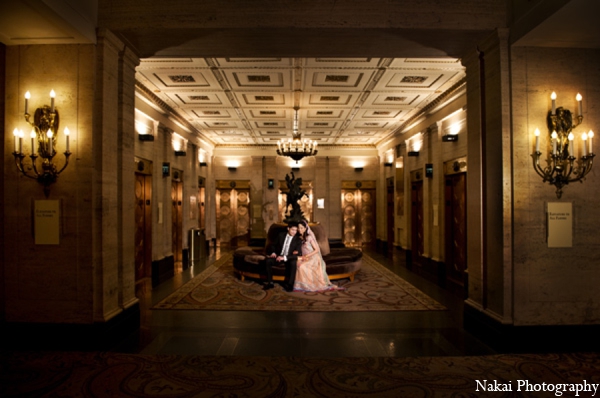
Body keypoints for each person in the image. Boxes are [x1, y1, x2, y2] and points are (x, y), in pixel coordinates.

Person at [294, 220, 342, 292]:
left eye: (301, 228)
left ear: (305, 228)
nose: (299, 229)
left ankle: (308, 285)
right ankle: (301, 284)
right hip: (305, 257)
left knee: (302, 266)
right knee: (297, 263)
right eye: (298, 228)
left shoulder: (309, 237)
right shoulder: (299, 238)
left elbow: (316, 250)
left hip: (313, 257)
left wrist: (307, 255)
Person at [263, 221, 303, 292]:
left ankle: (290, 285)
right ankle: (270, 282)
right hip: (279, 256)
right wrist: (273, 252)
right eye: (292, 230)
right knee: (268, 261)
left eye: (296, 230)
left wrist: (285, 257)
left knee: (293, 262)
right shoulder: (281, 235)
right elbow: (272, 245)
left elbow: (298, 253)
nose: (294, 232)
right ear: (288, 228)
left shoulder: (298, 240)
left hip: (289, 258)